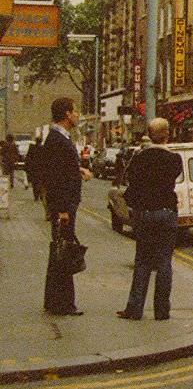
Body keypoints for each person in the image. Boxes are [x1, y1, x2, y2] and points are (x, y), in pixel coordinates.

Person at [117, 118, 183, 321]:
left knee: (142, 261)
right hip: (166, 213)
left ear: (148, 134)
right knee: (164, 262)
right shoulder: (175, 159)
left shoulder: (139, 158)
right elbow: (175, 178)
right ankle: (162, 311)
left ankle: (135, 309)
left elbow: (130, 184)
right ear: (168, 135)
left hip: (145, 213)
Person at [42, 98, 92, 316]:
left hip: (66, 204)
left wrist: (78, 170)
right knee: (64, 251)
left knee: (60, 251)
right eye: (75, 111)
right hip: (64, 206)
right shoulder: (57, 140)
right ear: (66, 114)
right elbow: (54, 177)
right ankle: (63, 304)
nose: (77, 114)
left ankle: (54, 301)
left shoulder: (59, 138)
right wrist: (62, 209)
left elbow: (62, 169)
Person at [25, 137, 44, 201]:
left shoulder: (32, 148)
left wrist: (27, 167)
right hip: (41, 168)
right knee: (41, 182)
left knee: (34, 182)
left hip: (33, 168)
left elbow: (28, 158)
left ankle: (36, 196)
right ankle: (41, 195)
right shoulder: (43, 149)